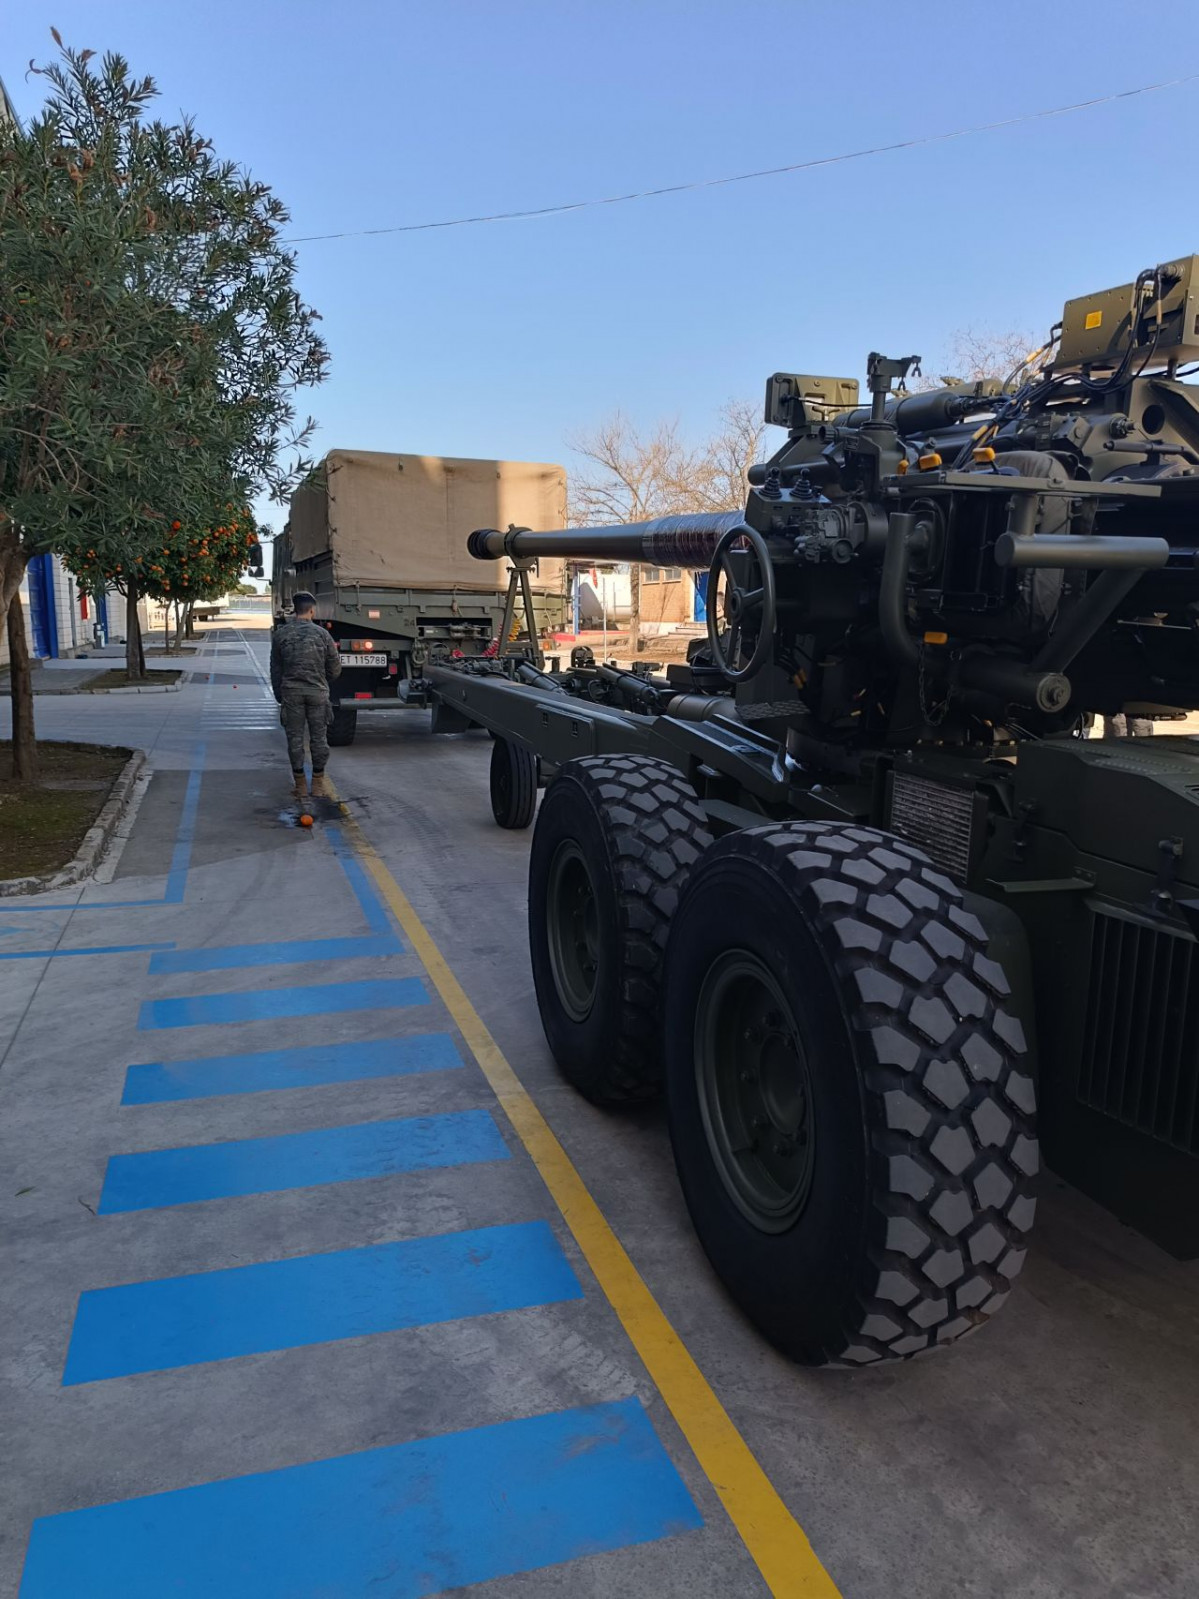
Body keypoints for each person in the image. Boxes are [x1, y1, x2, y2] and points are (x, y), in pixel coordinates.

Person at [269, 591, 341, 799]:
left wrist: (279, 693)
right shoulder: (322, 635)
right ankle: (317, 784)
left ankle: (300, 785)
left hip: (291, 694)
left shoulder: (281, 634)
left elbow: (276, 668)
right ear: (312, 610)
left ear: (294, 609)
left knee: (295, 740)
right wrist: (322, 681)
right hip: (317, 693)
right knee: (319, 739)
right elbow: (335, 668)